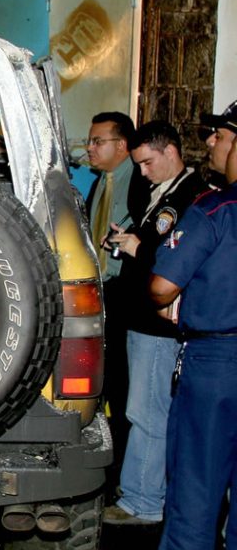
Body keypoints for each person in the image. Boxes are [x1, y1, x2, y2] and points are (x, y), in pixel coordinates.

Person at [148, 99, 237, 550]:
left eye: (221, 135)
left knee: (196, 494)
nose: (211, 143)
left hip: (217, 363)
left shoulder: (213, 208)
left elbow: (162, 286)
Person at [104, 120, 205, 525]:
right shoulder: (161, 192)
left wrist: (137, 246)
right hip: (142, 320)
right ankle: (141, 495)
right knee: (141, 409)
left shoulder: (191, 196)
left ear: (170, 151)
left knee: (147, 412)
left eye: (147, 163)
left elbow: (175, 258)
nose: (142, 172)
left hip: (157, 325)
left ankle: (143, 502)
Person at [84, 111, 149, 471]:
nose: (90, 148)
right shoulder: (101, 183)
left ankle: (124, 467)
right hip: (100, 297)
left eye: (98, 141)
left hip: (125, 301)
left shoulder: (140, 183)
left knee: (126, 390)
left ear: (122, 146)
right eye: (90, 142)